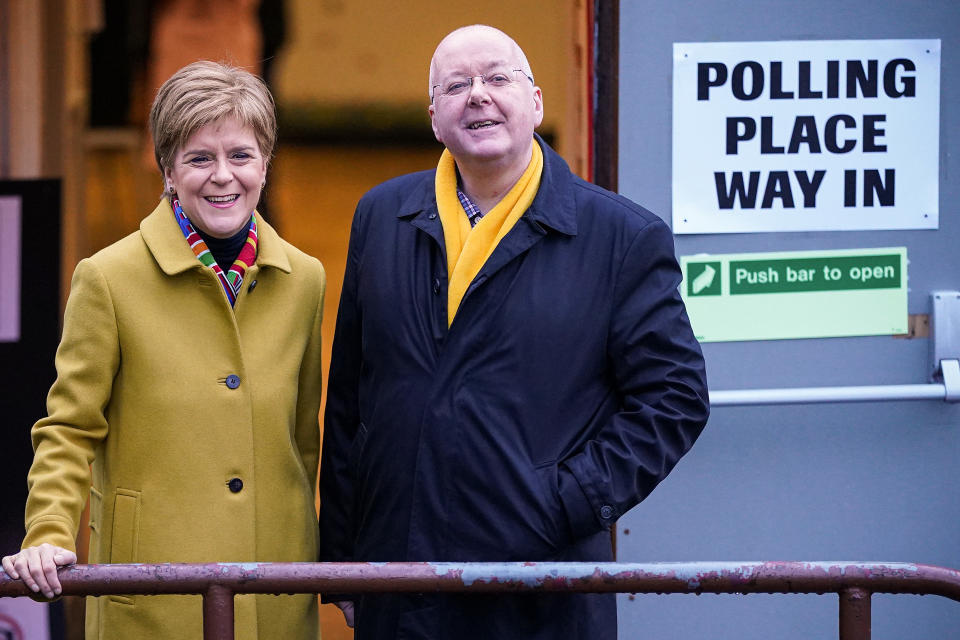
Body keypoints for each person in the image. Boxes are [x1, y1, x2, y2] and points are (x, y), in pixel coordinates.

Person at [318, 24, 710, 640]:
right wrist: (343, 558)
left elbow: (675, 398)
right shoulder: (382, 216)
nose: (478, 95)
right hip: (398, 574)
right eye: (457, 85)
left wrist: (569, 501)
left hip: (539, 584)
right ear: (433, 118)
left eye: (497, 78)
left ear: (535, 103)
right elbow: (349, 399)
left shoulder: (619, 238)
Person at [2, 61, 325, 640]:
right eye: (199, 158)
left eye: (241, 155)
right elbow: (69, 429)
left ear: (266, 164)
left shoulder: (305, 280)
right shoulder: (107, 278)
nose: (222, 176)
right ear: (168, 170)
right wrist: (48, 533)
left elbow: (302, 444)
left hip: (273, 590)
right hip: (150, 595)